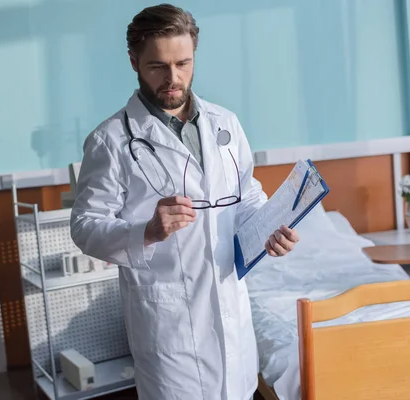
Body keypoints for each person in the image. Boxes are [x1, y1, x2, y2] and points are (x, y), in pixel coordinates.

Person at [70, 4, 299, 400]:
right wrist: (146, 231)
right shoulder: (110, 141)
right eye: (157, 66)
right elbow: (85, 226)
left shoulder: (225, 124)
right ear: (134, 62)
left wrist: (269, 229)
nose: (173, 78)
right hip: (169, 322)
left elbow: (245, 198)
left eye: (183, 63)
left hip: (230, 312)